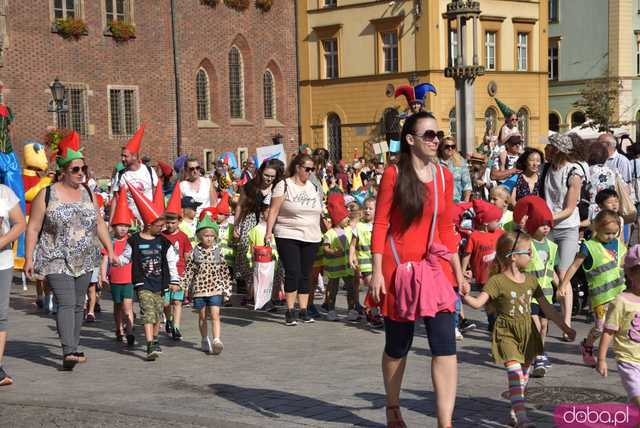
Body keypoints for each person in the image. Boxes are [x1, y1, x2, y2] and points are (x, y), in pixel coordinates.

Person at [370, 111, 462, 428]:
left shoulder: (444, 176)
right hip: (397, 271)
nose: (436, 140)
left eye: (438, 134)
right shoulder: (394, 174)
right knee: (398, 345)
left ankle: (445, 422)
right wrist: (376, 271)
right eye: (429, 135)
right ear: (410, 139)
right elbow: (380, 223)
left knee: (445, 344)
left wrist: (458, 271)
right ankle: (393, 407)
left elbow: (448, 227)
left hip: (435, 268)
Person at [461, 231, 575, 427]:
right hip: (506, 333)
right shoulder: (497, 281)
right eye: (529, 252)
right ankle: (522, 418)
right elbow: (478, 303)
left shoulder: (531, 280)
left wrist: (565, 325)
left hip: (528, 333)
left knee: (522, 377)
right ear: (514, 257)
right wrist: (465, 295)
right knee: (515, 374)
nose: (532, 256)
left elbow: (547, 308)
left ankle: (515, 410)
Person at [25, 132, 117, 371]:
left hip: (85, 256)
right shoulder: (47, 194)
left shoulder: (88, 193)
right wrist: (28, 258)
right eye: (75, 169)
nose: (80, 173)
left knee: (78, 303)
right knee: (66, 302)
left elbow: (99, 224)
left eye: (83, 169)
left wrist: (111, 249)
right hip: (55, 256)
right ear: (63, 171)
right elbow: (33, 228)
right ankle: (68, 350)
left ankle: (74, 346)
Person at [558, 210, 626, 367]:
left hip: (620, 294)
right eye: (607, 233)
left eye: (614, 233)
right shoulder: (589, 247)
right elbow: (574, 266)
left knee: (623, 326)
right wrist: (563, 284)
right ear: (597, 227)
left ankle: (625, 355)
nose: (611, 236)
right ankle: (587, 346)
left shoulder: (619, 244)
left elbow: (625, 264)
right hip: (600, 298)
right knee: (600, 327)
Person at [121, 184, 180, 361]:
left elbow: (171, 261)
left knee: (157, 314)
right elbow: (126, 256)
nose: (162, 228)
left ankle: (154, 339)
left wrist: (175, 280)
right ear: (148, 224)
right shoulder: (135, 240)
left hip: (160, 283)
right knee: (147, 311)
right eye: (159, 225)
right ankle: (149, 344)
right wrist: (116, 261)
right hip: (143, 282)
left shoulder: (164, 242)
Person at [265, 153, 323, 326]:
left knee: (306, 273)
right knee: (293, 271)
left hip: (311, 235)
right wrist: (269, 232)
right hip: (288, 233)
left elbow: (319, 209)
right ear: (298, 167)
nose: (310, 172)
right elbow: (273, 210)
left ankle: (303, 309)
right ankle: (290, 310)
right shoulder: (284, 185)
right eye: (307, 169)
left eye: (313, 169)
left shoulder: (312, 186)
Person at [513, 196, 559, 378]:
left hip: (546, 294)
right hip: (529, 293)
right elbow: (515, 240)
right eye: (542, 224)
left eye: (548, 224)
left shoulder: (552, 246)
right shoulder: (526, 242)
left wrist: (561, 285)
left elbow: (551, 270)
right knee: (535, 322)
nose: (546, 227)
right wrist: (521, 224)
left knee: (543, 326)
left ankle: (539, 353)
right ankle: (535, 354)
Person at [543, 133, 582, 334]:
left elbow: (569, 208)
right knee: (545, 270)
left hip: (567, 228)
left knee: (564, 273)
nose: (546, 150)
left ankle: (566, 321)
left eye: (549, 147)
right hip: (548, 227)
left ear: (557, 150)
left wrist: (546, 218)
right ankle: (549, 313)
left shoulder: (573, 173)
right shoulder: (546, 169)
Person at [182, 210, 232, 355]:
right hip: (200, 289)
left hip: (216, 287)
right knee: (202, 316)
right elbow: (189, 271)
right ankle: (205, 338)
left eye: (211, 236)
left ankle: (217, 340)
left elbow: (225, 272)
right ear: (200, 236)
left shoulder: (218, 251)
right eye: (206, 236)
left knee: (215, 314)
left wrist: (227, 290)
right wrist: (183, 286)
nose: (209, 238)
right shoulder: (195, 252)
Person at [233, 159, 284, 300]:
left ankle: (273, 295)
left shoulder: (278, 187)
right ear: (261, 172)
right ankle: (253, 294)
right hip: (250, 220)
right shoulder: (249, 186)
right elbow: (239, 206)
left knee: (274, 257)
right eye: (266, 175)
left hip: (270, 222)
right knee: (248, 255)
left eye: (272, 176)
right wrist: (236, 225)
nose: (269, 179)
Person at [597, 244, 640, 409]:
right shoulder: (621, 301)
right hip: (628, 361)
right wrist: (601, 359)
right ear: (630, 273)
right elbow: (608, 331)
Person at [461, 200, 504, 332]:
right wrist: (463, 271)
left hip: (500, 275)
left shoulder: (500, 233)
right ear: (486, 222)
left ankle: (500, 323)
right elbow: (467, 254)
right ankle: (493, 323)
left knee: (501, 301)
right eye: (496, 220)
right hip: (483, 278)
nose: (499, 223)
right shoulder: (475, 236)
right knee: (489, 303)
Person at [101, 189, 135, 345]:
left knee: (128, 306)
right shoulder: (111, 242)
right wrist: (103, 276)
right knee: (117, 306)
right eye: (119, 225)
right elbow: (106, 259)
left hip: (128, 278)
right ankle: (118, 328)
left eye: (125, 226)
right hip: (115, 278)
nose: (123, 228)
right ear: (114, 227)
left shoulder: (132, 242)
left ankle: (130, 331)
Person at [0, 183, 26, 385]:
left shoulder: (5, 192)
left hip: (2, 262)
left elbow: (19, 223)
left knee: (0, 315)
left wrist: (1, 242)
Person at [110, 126, 159, 224]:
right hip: (129, 222)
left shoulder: (149, 171)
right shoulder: (120, 175)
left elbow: (157, 194)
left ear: (134, 156)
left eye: (125, 156)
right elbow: (115, 199)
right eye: (122, 156)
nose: (122, 159)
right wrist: (111, 223)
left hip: (149, 220)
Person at [162, 187, 193, 341]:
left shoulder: (183, 237)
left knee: (177, 301)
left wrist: (189, 272)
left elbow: (187, 255)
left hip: (179, 273)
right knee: (166, 302)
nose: (170, 225)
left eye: (173, 222)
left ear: (179, 221)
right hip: (165, 274)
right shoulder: (161, 236)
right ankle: (168, 320)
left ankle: (176, 327)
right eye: (167, 222)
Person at [350, 197, 382, 328]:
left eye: (371, 208)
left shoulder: (380, 225)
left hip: (378, 262)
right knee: (371, 286)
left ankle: (370, 307)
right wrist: (351, 257)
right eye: (366, 208)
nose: (368, 211)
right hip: (365, 261)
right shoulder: (359, 226)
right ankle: (373, 314)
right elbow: (353, 244)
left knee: (377, 287)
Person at [322, 193, 355, 322]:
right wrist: (332, 251)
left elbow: (353, 244)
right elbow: (325, 248)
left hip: (347, 265)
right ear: (337, 218)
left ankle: (351, 309)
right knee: (333, 288)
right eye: (345, 217)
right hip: (334, 267)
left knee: (351, 287)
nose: (348, 219)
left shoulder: (348, 230)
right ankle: (331, 310)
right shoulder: (330, 233)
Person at [438, 136, 472, 203]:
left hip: (456, 201)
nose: (450, 148)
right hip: (440, 202)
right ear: (441, 147)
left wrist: (465, 202)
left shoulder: (460, 161)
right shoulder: (435, 162)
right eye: (447, 146)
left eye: (453, 146)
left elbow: (467, 185)